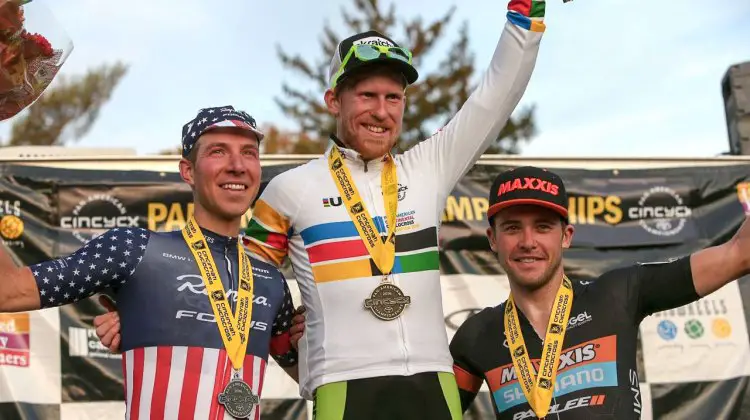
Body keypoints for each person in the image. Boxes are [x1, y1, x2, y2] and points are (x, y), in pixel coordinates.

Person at [95, 1, 550, 417]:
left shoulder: (428, 168)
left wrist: (525, 19)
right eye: (366, 96)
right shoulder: (289, 190)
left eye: (393, 98)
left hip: (434, 382)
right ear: (334, 100)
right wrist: (148, 314)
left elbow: (493, 100)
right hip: (342, 386)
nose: (381, 111)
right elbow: (235, 287)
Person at [0, 106, 300, 420]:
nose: (237, 166)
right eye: (218, 151)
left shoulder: (269, 279)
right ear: (188, 171)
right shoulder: (133, 250)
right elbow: (7, 290)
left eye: (249, 153)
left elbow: (310, 374)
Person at [445, 166, 750, 419]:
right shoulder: (475, 335)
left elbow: (738, 254)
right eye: (512, 228)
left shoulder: (619, 294)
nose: (528, 241)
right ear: (493, 239)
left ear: (566, 236)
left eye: (542, 227)